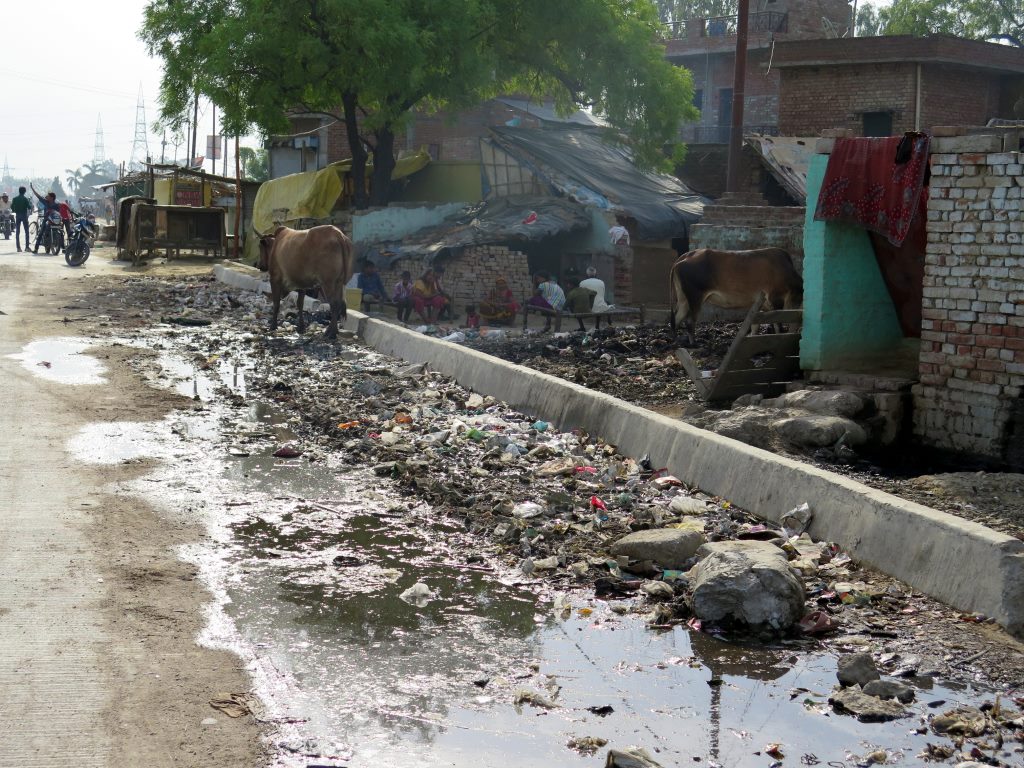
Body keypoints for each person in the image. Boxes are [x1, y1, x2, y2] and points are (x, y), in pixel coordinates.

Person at [30, 185, 61, 253]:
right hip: (46, 220)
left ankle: (62, 246)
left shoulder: (57, 205)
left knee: (61, 232)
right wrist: (33, 189)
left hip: (54, 221)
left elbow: (59, 213)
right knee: (41, 233)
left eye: (49, 196)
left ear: (52, 198)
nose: (47, 197)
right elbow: (39, 196)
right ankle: (36, 249)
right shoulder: (46, 202)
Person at [10, 187, 32, 252]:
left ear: (19, 191)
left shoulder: (14, 199)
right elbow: (29, 207)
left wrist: (14, 210)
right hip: (24, 215)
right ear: (24, 192)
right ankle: (27, 247)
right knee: (26, 231)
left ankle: (18, 248)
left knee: (17, 232)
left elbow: (11, 207)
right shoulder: (25, 199)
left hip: (17, 215)